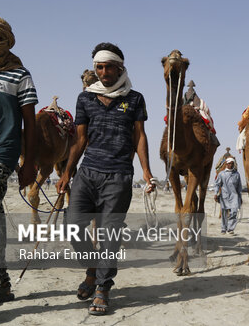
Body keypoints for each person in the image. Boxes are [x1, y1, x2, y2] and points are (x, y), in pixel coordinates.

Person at [56, 42, 155, 316]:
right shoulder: (85, 98)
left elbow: (139, 136)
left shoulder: (134, 98)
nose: (103, 72)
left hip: (119, 174)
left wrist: (146, 170)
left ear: (120, 67)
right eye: (99, 67)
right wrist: (67, 172)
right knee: (72, 224)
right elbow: (80, 138)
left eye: (108, 66)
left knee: (110, 233)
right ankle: (92, 268)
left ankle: (102, 286)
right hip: (88, 173)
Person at [0, 16, 38, 307]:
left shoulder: (19, 74)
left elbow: (29, 124)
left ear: (6, 41)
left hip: (1, 150)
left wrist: (29, 162)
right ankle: (0, 280)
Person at [214, 157, 243, 234]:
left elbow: (239, 187)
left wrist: (240, 197)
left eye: (232, 163)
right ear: (226, 164)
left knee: (234, 212)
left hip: (234, 196)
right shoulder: (221, 174)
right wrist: (216, 193)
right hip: (224, 196)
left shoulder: (237, 174)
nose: (231, 165)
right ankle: (223, 228)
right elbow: (217, 184)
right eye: (229, 163)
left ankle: (230, 228)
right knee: (224, 213)